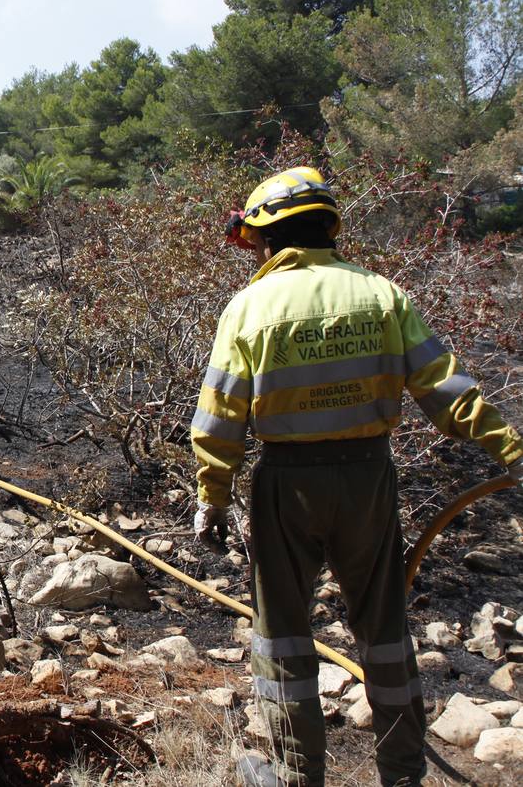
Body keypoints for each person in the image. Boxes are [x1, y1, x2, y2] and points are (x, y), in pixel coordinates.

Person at [190, 167, 523, 787]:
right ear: (327, 227)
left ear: (268, 238)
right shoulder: (382, 295)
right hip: (369, 479)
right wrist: (509, 449)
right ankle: (401, 774)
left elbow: (219, 420)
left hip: (286, 485)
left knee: (284, 635)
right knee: (384, 629)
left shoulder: (250, 307)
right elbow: (446, 389)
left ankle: (295, 773)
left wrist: (213, 498)